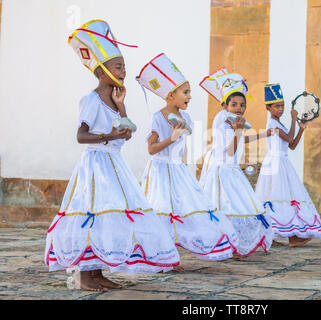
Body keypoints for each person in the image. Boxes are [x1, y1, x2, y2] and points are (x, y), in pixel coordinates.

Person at [45, 20, 180, 292]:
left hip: (114, 165)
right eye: (118, 67)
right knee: (93, 214)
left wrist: (121, 107)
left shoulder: (115, 100)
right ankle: (83, 275)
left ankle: (98, 271)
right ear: (103, 72)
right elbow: (81, 136)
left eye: (124, 67)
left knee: (110, 217)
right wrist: (110, 136)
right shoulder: (91, 100)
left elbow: (126, 131)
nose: (124, 71)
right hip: (96, 165)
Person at [136, 54, 237, 269]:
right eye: (185, 92)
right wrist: (170, 139)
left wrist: (184, 165)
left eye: (189, 92)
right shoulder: (158, 117)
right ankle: (162, 257)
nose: (190, 96)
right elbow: (151, 149)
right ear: (170, 95)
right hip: (161, 170)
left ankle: (171, 256)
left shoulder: (187, 119)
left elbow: (184, 148)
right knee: (162, 210)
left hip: (178, 171)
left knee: (183, 211)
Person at [200, 72, 273, 257]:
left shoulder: (233, 122)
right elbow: (230, 150)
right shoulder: (223, 121)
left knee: (239, 207)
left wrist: (263, 135)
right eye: (233, 104)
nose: (238, 108)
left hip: (231, 170)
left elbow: (241, 142)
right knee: (228, 207)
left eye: (242, 105)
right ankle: (226, 244)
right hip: (223, 173)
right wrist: (239, 131)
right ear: (225, 105)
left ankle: (234, 244)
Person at [255, 83, 321, 247]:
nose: (280, 109)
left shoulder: (280, 124)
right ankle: (286, 236)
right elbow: (288, 137)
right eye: (277, 106)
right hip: (275, 164)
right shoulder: (272, 125)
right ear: (268, 108)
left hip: (282, 162)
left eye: (282, 106)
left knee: (285, 198)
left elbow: (292, 144)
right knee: (278, 198)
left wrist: (301, 128)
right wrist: (294, 119)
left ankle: (281, 236)